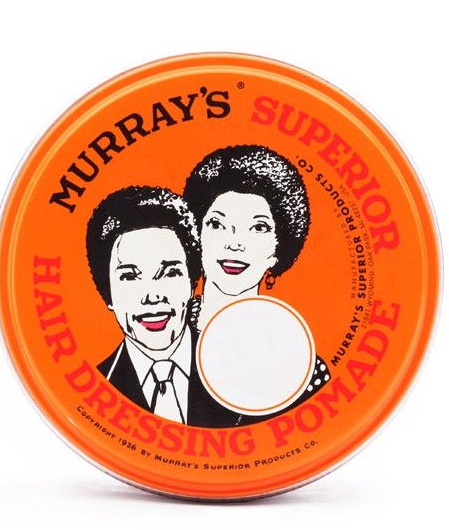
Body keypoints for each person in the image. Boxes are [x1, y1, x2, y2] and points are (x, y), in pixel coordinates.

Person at [183, 145, 330, 421]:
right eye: (217, 224)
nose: (235, 244)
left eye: (258, 228)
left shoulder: (301, 367)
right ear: (197, 235)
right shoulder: (157, 335)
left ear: (278, 249)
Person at [86, 186, 238, 428]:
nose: (152, 296)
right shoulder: (92, 389)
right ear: (107, 293)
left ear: (192, 282)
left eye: (169, 273)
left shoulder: (238, 370)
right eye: (130, 276)